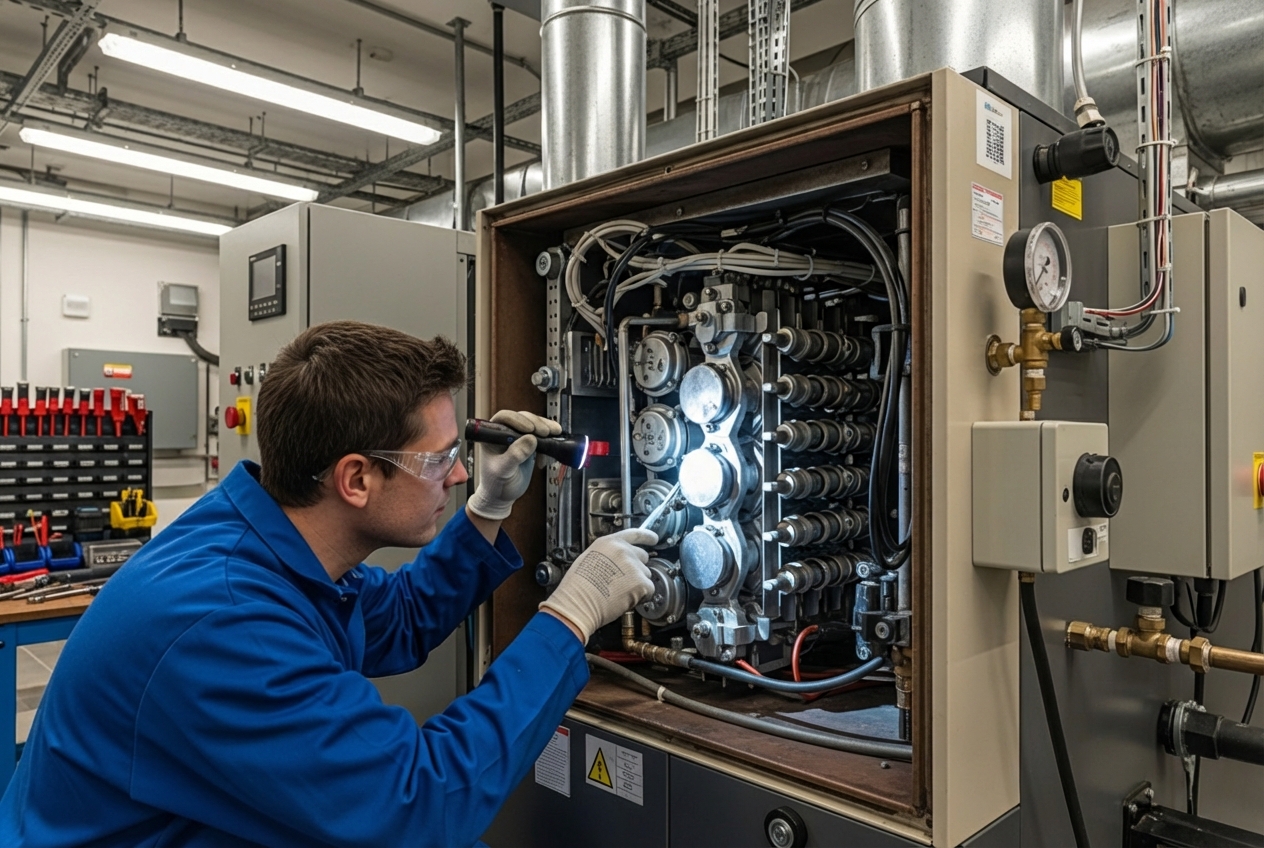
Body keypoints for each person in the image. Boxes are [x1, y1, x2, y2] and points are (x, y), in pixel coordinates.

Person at [0, 321, 656, 847]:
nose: (457, 477)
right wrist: (570, 615)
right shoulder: (224, 622)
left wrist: (486, 509)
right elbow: (420, 807)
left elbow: (396, 618)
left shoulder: (268, 549)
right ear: (356, 480)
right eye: (442, 460)